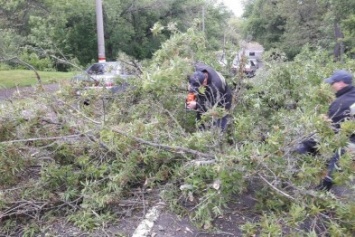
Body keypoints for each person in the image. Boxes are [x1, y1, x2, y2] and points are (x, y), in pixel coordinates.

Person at [296, 69, 355, 191]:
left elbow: (331, 131)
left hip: (351, 140)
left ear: (341, 83)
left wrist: (309, 142)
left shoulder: (342, 102)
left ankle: (322, 191)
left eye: (333, 83)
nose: (331, 86)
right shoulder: (350, 96)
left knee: (337, 157)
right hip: (350, 134)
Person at [185, 63, 232, 131]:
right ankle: (201, 131)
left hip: (222, 100)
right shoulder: (198, 69)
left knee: (219, 121)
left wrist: (196, 105)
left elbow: (211, 106)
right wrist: (190, 98)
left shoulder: (216, 86)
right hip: (207, 89)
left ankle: (219, 136)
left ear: (204, 82)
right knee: (200, 118)